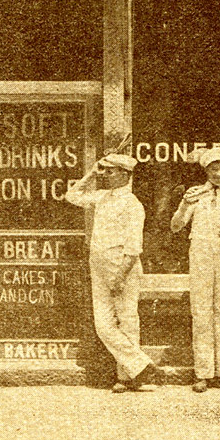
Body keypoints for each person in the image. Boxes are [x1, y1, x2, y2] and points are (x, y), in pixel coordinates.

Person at [67, 152, 161, 393]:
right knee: (104, 324)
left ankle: (127, 377)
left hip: (121, 266)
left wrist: (120, 276)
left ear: (125, 175)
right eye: (105, 171)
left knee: (128, 320)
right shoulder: (102, 197)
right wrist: (91, 173)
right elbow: (72, 195)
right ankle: (140, 365)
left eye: (111, 171)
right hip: (98, 266)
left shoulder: (132, 204)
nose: (106, 175)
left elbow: (133, 246)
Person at [171, 146, 220, 393]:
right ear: (206, 170)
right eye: (215, 169)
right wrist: (185, 204)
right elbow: (176, 226)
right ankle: (203, 373)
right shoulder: (196, 195)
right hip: (201, 260)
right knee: (202, 313)